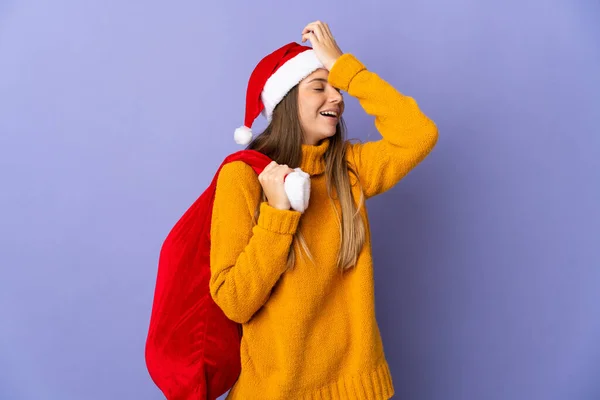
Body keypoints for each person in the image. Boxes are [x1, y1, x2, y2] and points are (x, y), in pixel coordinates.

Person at [209, 21, 438, 399]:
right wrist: (279, 215)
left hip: (355, 389)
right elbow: (235, 301)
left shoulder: (350, 168)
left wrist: (348, 68)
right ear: (285, 100)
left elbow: (419, 134)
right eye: (320, 86)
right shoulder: (244, 177)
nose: (337, 97)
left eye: (338, 87)